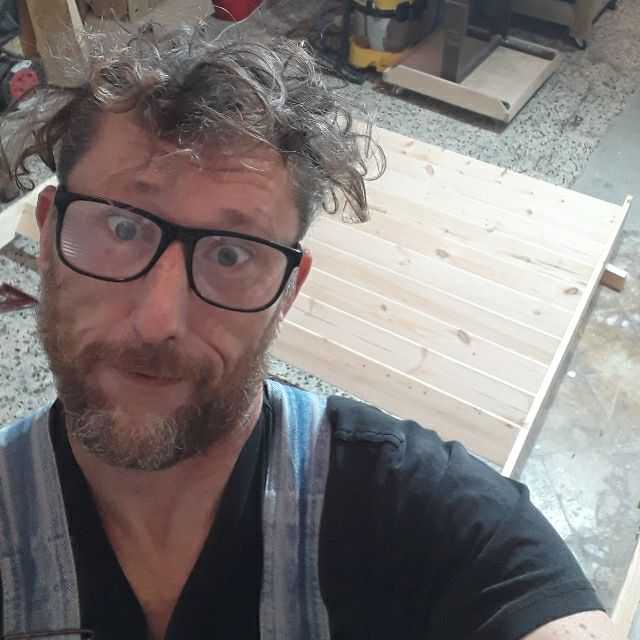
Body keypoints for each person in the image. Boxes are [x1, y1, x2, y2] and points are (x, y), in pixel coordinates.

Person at [0, 26, 623, 640]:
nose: (159, 320)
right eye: (122, 230)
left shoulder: (412, 508)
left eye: (230, 255)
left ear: (288, 293)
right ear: (49, 237)